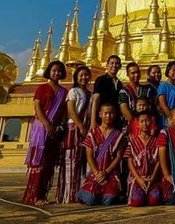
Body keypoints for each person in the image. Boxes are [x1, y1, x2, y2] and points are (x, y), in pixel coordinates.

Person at [22, 60, 68, 206]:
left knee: (49, 164)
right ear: (49, 71)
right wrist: (46, 123)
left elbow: (64, 112)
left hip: (55, 131)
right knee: (39, 164)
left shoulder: (63, 91)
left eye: (59, 71)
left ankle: (42, 195)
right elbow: (38, 107)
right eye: (54, 70)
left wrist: (59, 126)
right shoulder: (42, 88)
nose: (57, 73)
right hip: (41, 129)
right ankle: (33, 195)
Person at [77, 103, 127, 205]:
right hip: (96, 173)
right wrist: (97, 173)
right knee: (91, 200)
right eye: (106, 113)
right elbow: (89, 156)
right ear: (100, 114)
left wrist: (106, 172)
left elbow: (118, 157)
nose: (108, 116)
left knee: (109, 200)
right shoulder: (92, 134)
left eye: (111, 113)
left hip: (111, 174)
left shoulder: (119, 135)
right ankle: (82, 193)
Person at [58, 65, 92, 203]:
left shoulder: (90, 93)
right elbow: (71, 111)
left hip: (85, 129)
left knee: (83, 163)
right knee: (71, 162)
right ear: (76, 77)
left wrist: (86, 128)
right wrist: (81, 126)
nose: (84, 78)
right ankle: (69, 196)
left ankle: (80, 194)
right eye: (81, 75)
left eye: (86, 75)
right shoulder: (73, 91)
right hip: (74, 129)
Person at [125, 111, 162, 207]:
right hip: (137, 178)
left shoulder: (156, 141)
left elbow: (159, 161)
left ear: (151, 123)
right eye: (142, 121)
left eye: (147, 121)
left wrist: (152, 178)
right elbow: (129, 162)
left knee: (155, 200)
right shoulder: (132, 142)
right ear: (137, 124)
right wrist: (139, 179)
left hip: (152, 178)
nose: (145, 124)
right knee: (137, 202)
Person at [91, 55, 123, 125]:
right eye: (112, 63)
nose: (114, 65)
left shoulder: (119, 84)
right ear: (107, 65)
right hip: (102, 118)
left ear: (120, 66)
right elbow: (96, 99)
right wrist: (93, 122)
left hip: (115, 119)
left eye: (117, 63)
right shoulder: (101, 80)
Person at [156, 61, 175, 128]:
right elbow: (162, 104)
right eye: (173, 70)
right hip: (168, 119)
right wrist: (171, 118)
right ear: (168, 71)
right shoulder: (163, 86)